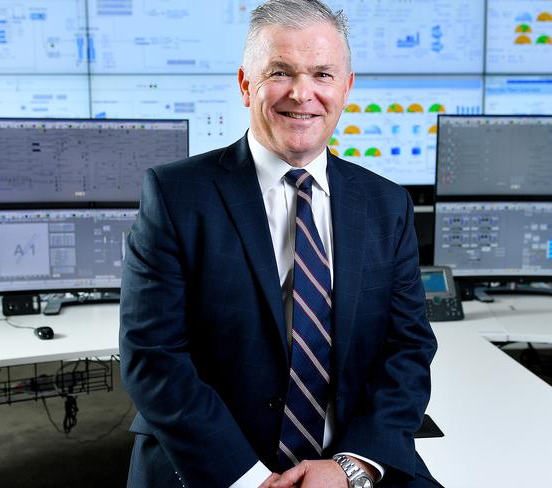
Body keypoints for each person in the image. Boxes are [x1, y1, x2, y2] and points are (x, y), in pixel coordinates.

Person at [119, 1, 440, 487]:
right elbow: (153, 357)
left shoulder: (385, 204)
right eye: (280, 72)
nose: (302, 93)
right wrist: (251, 481)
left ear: (346, 88)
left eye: (322, 74)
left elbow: (408, 350)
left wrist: (352, 467)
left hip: (346, 459)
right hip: (215, 463)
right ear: (247, 84)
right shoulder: (176, 195)